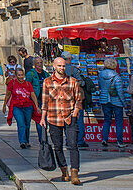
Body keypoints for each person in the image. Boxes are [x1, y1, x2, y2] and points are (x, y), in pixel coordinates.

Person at [41, 56, 83, 185]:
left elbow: (79, 98)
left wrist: (76, 112)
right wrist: (42, 118)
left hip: (70, 117)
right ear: (54, 66)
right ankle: (64, 171)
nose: (62, 68)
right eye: (59, 66)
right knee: (57, 147)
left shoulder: (73, 81)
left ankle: (75, 173)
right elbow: (45, 102)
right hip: (54, 118)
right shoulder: (47, 82)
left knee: (73, 145)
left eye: (63, 66)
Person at [97, 58, 131, 152]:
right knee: (118, 121)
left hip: (104, 100)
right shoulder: (117, 76)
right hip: (116, 101)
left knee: (107, 120)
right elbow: (119, 91)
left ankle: (104, 139)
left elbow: (100, 86)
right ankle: (120, 142)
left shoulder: (100, 75)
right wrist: (124, 103)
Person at [4, 61, 40, 149]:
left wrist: (37, 106)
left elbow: (32, 95)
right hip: (17, 107)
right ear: (16, 75)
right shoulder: (12, 84)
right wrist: (4, 105)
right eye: (19, 75)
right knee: (21, 124)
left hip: (28, 107)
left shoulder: (28, 84)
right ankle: (22, 141)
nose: (21, 77)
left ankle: (26, 141)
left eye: (22, 75)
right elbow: (8, 95)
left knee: (27, 124)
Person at [26, 55, 49, 145]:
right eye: (38, 63)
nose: (40, 64)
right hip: (34, 100)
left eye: (41, 63)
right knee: (32, 121)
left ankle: (43, 139)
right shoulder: (31, 74)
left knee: (43, 120)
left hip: (44, 100)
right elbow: (27, 87)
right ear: (34, 64)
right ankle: (27, 140)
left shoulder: (45, 74)